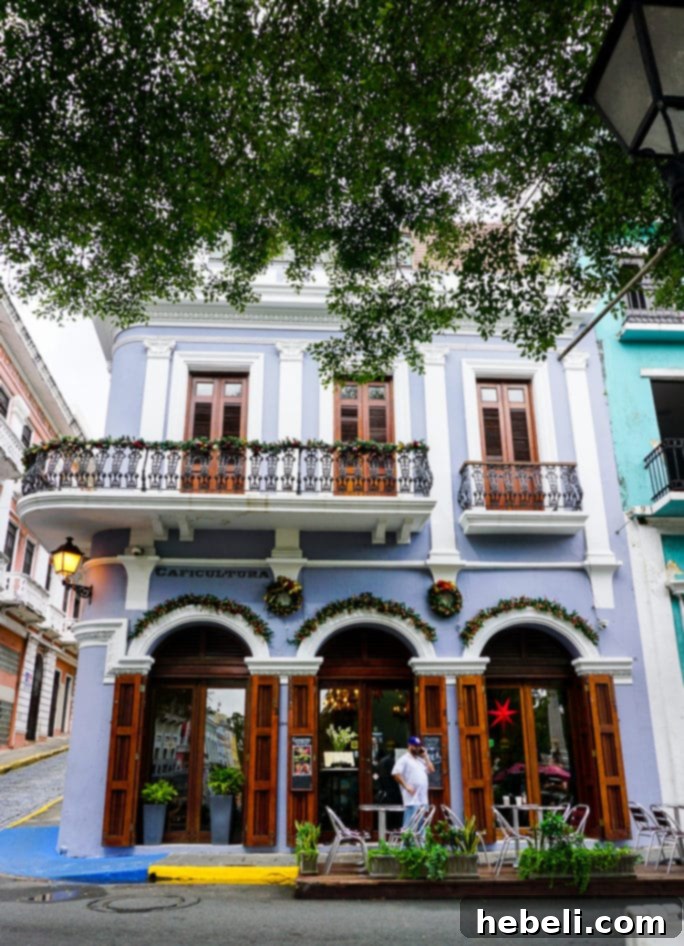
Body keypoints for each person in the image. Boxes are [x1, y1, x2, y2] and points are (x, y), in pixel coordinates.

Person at [392, 735, 435, 829]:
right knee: (409, 825)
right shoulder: (404, 759)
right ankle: (407, 843)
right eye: (415, 746)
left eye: (419, 746)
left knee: (421, 825)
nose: (417, 748)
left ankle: (421, 843)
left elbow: (431, 770)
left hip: (422, 798)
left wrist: (426, 757)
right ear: (409, 746)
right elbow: (396, 773)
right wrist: (406, 786)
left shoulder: (420, 760)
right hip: (412, 799)